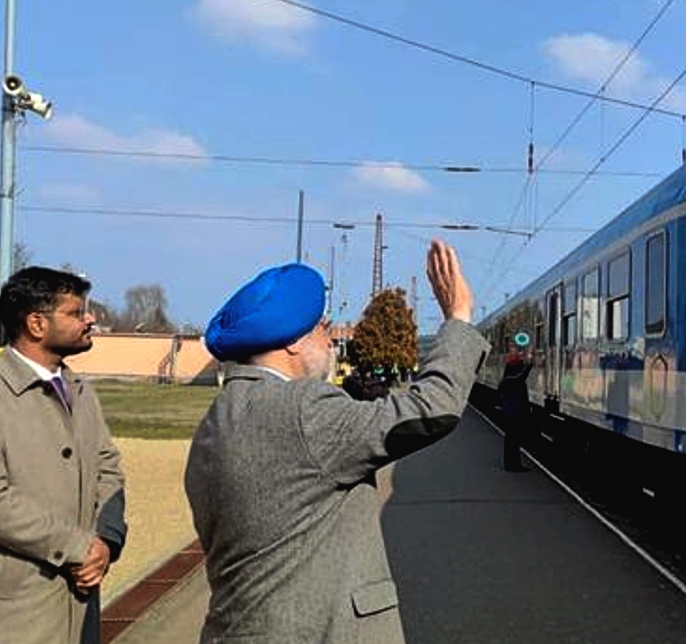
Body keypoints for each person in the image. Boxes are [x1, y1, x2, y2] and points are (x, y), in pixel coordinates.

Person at [185, 240, 488, 644]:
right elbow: (433, 408)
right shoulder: (303, 409)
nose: (330, 343)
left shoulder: (215, 423)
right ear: (293, 340)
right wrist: (458, 318)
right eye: (324, 329)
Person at [0, 267, 127, 644]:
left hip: (80, 604)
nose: (90, 319)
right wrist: (76, 547)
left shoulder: (79, 389)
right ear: (36, 323)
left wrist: (105, 540)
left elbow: (109, 468)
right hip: (20, 613)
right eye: (75, 313)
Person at [499, 345, 533, 472]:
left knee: (510, 440)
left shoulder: (506, 378)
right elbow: (522, 376)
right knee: (514, 440)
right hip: (514, 413)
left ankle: (511, 464)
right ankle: (514, 465)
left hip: (509, 412)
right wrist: (529, 364)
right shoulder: (513, 379)